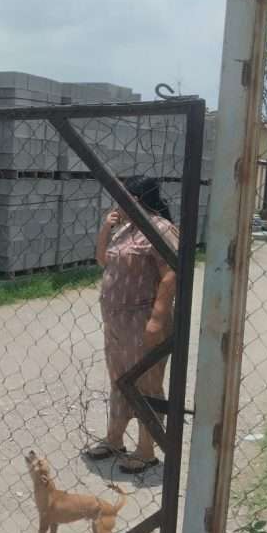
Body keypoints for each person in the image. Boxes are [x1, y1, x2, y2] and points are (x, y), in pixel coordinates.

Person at [86, 175, 178, 474]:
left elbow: (171, 273)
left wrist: (157, 318)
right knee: (119, 380)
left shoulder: (159, 228)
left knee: (146, 382)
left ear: (136, 199)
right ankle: (114, 439)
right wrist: (106, 227)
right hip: (116, 321)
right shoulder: (124, 228)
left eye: (122, 196)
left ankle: (147, 450)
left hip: (143, 320)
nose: (117, 201)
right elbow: (102, 260)